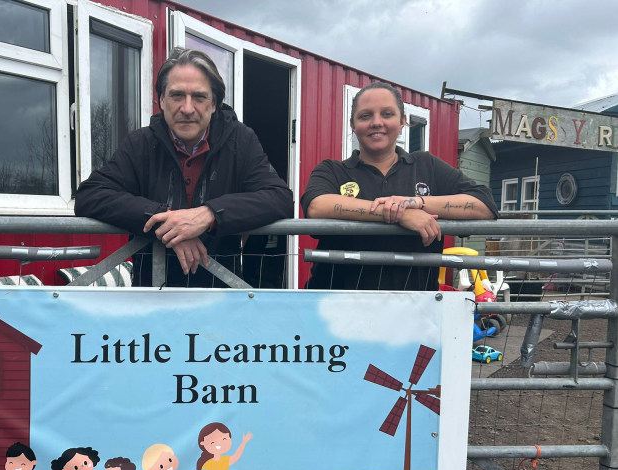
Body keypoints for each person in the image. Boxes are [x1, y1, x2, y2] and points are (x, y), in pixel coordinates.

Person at [75, 47, 293, 287]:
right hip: (153, 296)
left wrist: (209, 215)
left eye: (199, 97)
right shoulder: (141, 144)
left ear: (214, 104)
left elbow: (279, 197)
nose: (187, 108)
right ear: (161, 101)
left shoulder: (240, 141)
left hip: (221, 294)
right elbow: (90, 195)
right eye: (177, 95)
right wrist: (168, 223)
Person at [301, 82, 498, 291]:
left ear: (403, 121)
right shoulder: (333, 170)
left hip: (413, 308)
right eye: (365, 116)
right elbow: (316, 205)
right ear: (352, 124)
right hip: (336, 308)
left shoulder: (427, 165)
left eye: (387, 114)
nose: (376, 123)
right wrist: (399, 214)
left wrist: (415, 203)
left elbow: (485, 205)